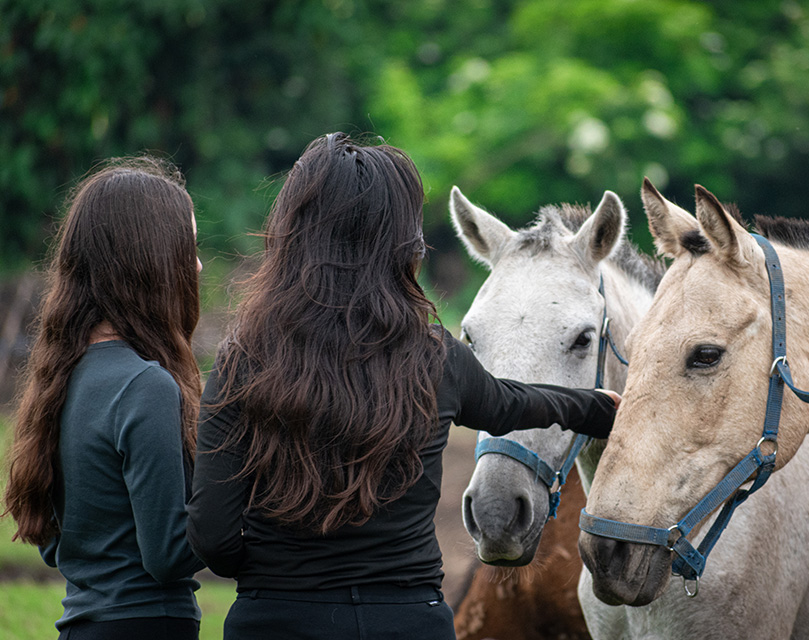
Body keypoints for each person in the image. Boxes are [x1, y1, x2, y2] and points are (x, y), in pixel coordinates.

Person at [186, 132, 620, 640]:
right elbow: (510, 403)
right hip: (408, 620)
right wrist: (597, 408)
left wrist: (275, 577)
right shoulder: (436, 356)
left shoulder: (243, 360)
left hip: (277, 619)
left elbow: (211, 535)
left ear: (291, 232)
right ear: (403, 242)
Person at [3, 157, 206, 639]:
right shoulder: (146, 386)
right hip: (147, 626)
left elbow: (55, 545)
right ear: (152, 260)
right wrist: (246, 512)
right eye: (189, 246)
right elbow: (169, 555)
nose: (198, 265)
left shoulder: (61, 378)